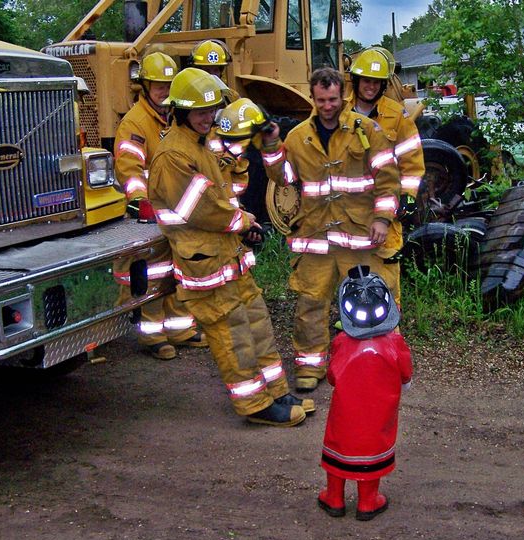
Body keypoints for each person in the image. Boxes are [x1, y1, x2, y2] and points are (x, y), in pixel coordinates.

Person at [148, 67, 313, 427]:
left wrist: (267, 138)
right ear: (180, 111)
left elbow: (229, 180)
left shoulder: (199, 144)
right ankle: (255, 404)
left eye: (212, 111)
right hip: (204, 263)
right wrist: (243, 221)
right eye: (200, 112)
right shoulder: (172, 156)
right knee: (233, 333)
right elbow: (203, 207)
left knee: (257, 321)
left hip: (228, 256)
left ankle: (277, 391)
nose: (208, 118)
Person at [259, 67, 400, 392]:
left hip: (359, 236)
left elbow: (388, 179)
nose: (327, 106)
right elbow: (283, 178)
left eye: (333, 99)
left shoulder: (366, 130)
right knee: (310, 305)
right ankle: (310, 369)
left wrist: (382, 218)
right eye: (321, 100)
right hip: (315, 239)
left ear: (342, 96)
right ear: (313, 97)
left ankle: (374, 364)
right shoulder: (297, 139)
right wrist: (270, 146)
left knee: (369, 302)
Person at [114, 52, 209, 360]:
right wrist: (140, 200)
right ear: (144, 85)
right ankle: (152, 336)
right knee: (154, 274)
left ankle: (180, 328)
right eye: (157, 85)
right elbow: (129, 167)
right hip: (152, 212)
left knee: (180, 269)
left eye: (169, 84)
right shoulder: (136, 122)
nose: (164, 90)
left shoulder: (175, 115)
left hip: (180, 209)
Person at [318, 266, 413, 521]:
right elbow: (406, 372)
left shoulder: (342, 343)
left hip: (346, 412)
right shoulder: (394, 343)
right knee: (373, 449)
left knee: (339, 446)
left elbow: (333, 377)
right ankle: (368, 502)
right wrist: (403, 382)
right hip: (380, 412)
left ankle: (334, 498)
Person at [348, 48, 425, 305]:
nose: (370, 87)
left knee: (387, 265)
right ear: (356, 81)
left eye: (376, 82)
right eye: (366, 80)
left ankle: (390, 326)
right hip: (348, 208)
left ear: (383, 85)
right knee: (351, 268)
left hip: (385, 207)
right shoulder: (340, 112)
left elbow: (412, 161)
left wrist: (408, 196)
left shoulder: (397, 115)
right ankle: (352, 323)